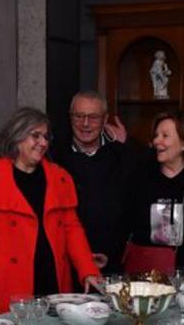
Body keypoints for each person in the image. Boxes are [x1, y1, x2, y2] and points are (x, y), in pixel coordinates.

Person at [0, 107, 101, 316]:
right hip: (7, 282)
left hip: (53, 279)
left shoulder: (59, 177)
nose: (43, 142)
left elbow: (72, 230)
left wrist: (87, 270)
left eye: (45, 137)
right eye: (35, 135)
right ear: (17, 136)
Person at [51, 91, 147, 275]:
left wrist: (127, 144)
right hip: (65, 267)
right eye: (79, 116)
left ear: (105, 120)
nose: (85, 124)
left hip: (114, 267)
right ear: (70, 118)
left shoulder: (123, 157)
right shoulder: (54, 157)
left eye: (93, 117)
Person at [123, 110, 184, 276]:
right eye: (156, 135)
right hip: (145, 274)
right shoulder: (140, 177)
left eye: (165, 136)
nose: (157, 141)